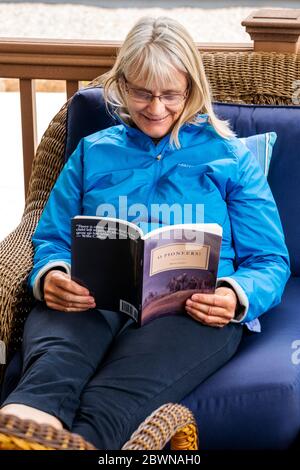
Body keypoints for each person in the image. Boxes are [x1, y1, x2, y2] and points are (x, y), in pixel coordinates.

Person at [0, 16, 290, 450]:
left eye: (170, 94)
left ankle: (77, 442)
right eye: (142, 93)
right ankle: (18, 433)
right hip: (90, 297)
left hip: (190, 310)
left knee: (113, 399)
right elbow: (50, 236)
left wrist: (234, 294)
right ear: (121, 85)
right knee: (53, 369)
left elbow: (270, 260)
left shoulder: (230, 158)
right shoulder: (93, 152)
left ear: (192, 89)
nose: (156, 109)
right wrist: (52, 275)